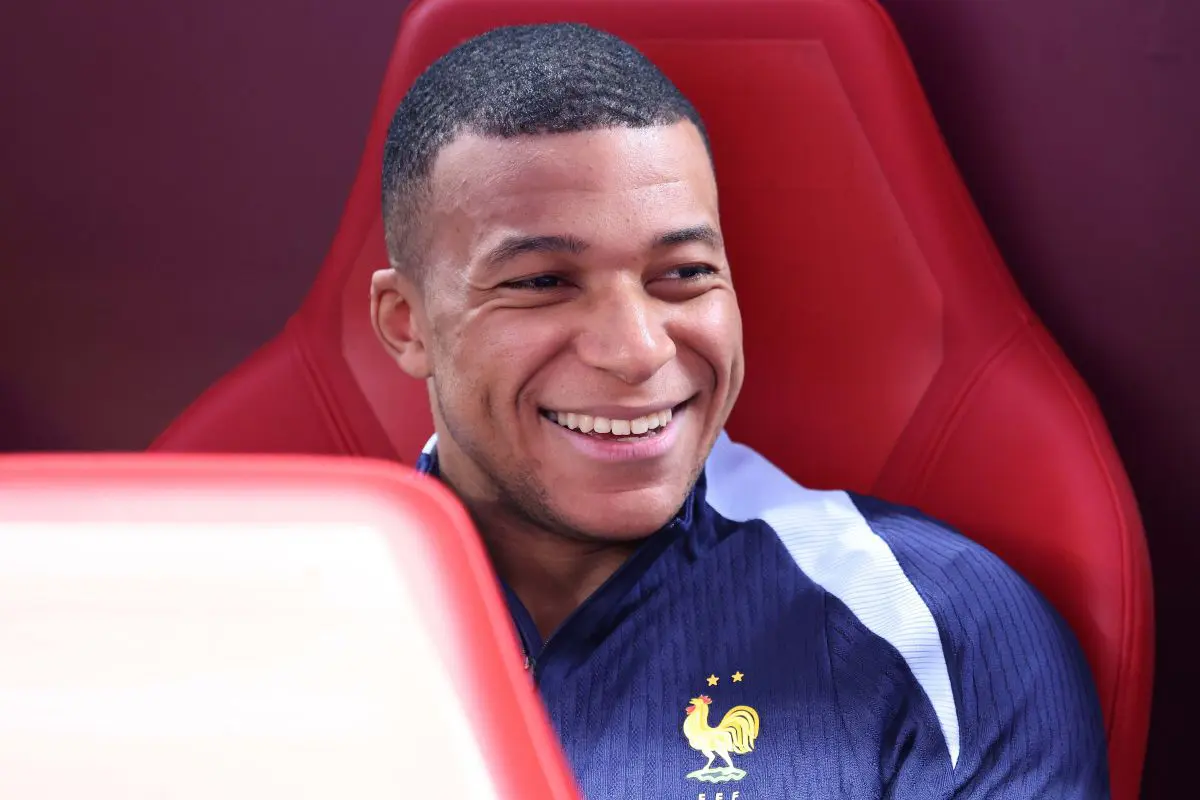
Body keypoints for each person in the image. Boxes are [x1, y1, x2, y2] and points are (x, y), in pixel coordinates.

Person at [369, 22, 1109, 800]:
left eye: (684, 273)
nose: (638, 350)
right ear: (406, 323)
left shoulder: (939, 629)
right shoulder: (289, 623)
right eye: (541, 282)